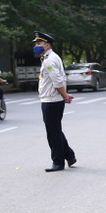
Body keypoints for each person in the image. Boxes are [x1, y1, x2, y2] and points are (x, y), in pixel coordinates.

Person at [33, 31, 76, 172]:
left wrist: (65, 95)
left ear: (47, 45)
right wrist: (64, 95)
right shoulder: (51, 57)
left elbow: (57, 80)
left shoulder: (49, 60)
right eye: (36, 43)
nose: (36, 46)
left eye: (39, 43)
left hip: (51, 100)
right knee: (55, 130)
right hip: (53, 99)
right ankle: (69, 155)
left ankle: (58, 162)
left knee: (53, 133)